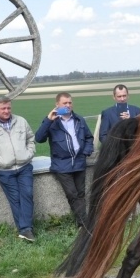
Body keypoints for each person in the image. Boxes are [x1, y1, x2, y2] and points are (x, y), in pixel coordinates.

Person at [0, 97, 37, 241]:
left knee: (27, 195)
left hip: (24, 167)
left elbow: (31, 139)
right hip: (4, 171)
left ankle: (25, 229)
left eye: (9, 108)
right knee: (15, 199)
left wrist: (28, 154)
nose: (6, 111)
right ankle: (25, 229)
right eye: (3, 108)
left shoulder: (21, 121)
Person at [34, 92, 94, 229]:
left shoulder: (79, 120)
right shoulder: (52, 122)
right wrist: (49, 120)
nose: (68, 105)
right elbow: (39, 138)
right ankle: (86, 224)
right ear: (57, 105)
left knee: (80, 194)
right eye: (64, 103)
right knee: (72, 194)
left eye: (70, 103)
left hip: (79, 162)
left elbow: (89, 137)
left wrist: (86, 151)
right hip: (62, 165)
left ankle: (81, 224)